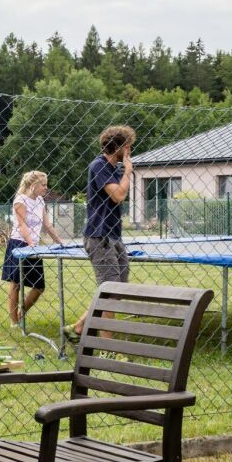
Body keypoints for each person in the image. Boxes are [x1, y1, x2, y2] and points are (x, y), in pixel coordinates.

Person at [62, 125, 135, 344]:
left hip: (114, 236)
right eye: (128, 145)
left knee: (117, 288)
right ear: (118, 147)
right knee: (110, 292)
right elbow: (118, 196)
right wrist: (128, 171)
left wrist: (124, 171)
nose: (130, 150)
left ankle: (77, 327)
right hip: (99, 236)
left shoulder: (114, 168)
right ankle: (106, 346)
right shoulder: (99, 166)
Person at [1, 170, 64, 324]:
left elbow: (47, 224)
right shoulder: (20, 201)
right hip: (19, 244)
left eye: (46, 185)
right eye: (43, 185)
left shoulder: (40, 201)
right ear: (33, 185)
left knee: (39, 287)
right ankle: (14, 322)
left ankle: (21, 313)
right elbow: (22, 225)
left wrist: (59, 241)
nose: (45, 188)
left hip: (34, 247)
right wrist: (30, 243)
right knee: (15, 284)